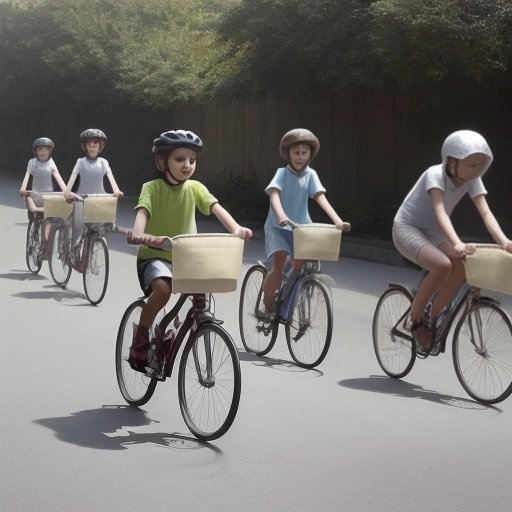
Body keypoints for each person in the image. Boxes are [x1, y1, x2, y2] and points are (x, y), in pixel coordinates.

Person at [128, 129, 252, 373]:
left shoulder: (195, 188)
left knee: (204, 285)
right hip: (155, 254)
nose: (187, 165)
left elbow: (216, 208)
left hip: (186, 256)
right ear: (161, 161)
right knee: (163, 290)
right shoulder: (151, 188)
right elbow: (142, 212)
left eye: (192, 160)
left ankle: (181, 326)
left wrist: (236, 228)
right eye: (179, 159)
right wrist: (139, 233)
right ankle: (140, 340)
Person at [392, 129, 512, 355]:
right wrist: (457, 244)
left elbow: (486, 213)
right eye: (472, 164)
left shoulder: (472, 180)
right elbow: (440, 212)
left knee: (463, 268)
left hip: (434, 233)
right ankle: (415, 321)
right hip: (407, 228)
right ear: (452, 160)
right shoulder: (434, 174)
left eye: (480, 165)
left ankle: (431, 317)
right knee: (443, 265)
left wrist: (505, 242)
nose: (476, 170)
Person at [262, 128, 351, 314]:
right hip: (278, 226)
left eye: (304, 152)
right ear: (288, 154)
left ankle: (287, 300)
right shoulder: (282, 173)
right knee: (279, 263)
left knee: (300, 263)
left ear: (310, 154)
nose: (300, 157)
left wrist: (338, 221)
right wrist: (281, 216)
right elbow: (274, 196)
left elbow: (320, 197)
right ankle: (268, 303)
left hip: (301, 228)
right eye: (296, 152)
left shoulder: (311, 175)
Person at [63, 128, 123, 248]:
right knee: (77, 232)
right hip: (82, 200)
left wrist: (116, 191)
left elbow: (110, 177)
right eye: (89, 143)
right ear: (84, 146)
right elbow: (72, 180)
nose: (92, 146)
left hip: (98, 200)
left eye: (95, 143)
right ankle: (72, 251)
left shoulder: (103, 162)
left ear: (100, 146)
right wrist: (68, 192)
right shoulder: (80, 162)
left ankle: (90, 253)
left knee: (98, 229)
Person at [20, 137, 67, 213]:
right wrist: (23, 189)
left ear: (50, 151)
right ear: (36, 151)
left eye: (46, 149)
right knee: (27, 196)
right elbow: (27, 175)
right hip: (35, 194)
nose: (43, 152)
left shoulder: (51, 162)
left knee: (60, 200)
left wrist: (66, 191)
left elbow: (58, 178)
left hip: (48, 195)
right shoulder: (32, 162)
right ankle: (34, 209)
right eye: (40, 149)